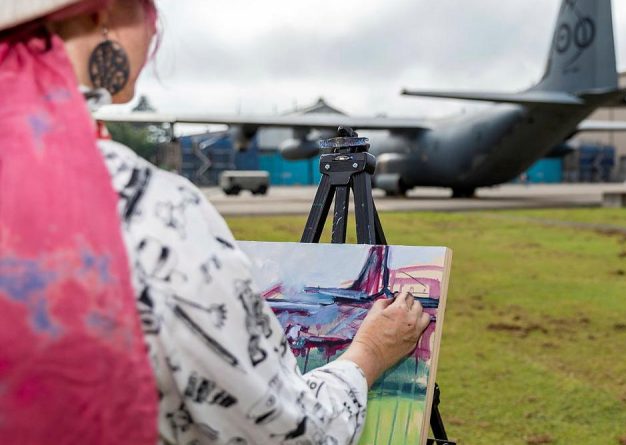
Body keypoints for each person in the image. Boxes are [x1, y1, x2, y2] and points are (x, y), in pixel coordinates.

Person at [0, 1, 431, 444]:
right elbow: (289, 432)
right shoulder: (155, 212)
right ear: (103, 16)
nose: (153, 33)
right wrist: (369, 353)